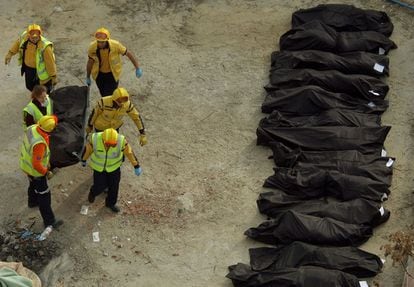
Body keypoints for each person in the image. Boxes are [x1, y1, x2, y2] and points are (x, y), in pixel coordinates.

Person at [81, 128, 142, 212]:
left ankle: (110, 203)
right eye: (108, 144)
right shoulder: (95, 139)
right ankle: (93, 193)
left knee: (114, 187)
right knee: (99, 186)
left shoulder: (121, 140)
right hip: (99, 169)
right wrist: (83, 159)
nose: (111, 146)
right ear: (103, 139)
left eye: (113, 144)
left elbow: (129, 153)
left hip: (114, 168)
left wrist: (136, 165)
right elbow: (87, 150)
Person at [19, 115, 63, 228]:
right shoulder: (39, 144)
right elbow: (36, 164)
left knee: (32, 184)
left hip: (26, 165)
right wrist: (46, 172)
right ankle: (49, 221)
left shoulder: (33, 128)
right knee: (44, 195)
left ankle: (32, 202)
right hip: (36, 171)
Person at [86, 27, 142, 97]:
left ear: (107, 40)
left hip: (112, 75)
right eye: (98, 41)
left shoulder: (116, 45)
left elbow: (128, 54)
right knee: (103, 94)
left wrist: (137, 68)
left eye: (102, 42)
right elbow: (90, 62)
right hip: (99, 75)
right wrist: (88, 76)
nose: (100, 44)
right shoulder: (92, 47)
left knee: (110, 95)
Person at [5, 24, 57, 93]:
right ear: (28, 35)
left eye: (36, 37)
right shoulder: (24, 37)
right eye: (32, 38)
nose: (34, 39)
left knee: (42, 91)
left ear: (39, 35)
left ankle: (43, 100)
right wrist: (10, 53)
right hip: (28, 69)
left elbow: (50, 63)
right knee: (30, 86)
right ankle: (35, 96)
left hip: (40, 74)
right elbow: (18, 43)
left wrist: (53, 76)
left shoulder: (45, 47)